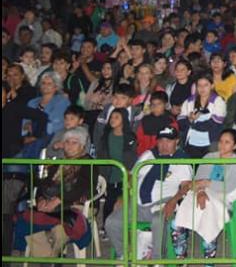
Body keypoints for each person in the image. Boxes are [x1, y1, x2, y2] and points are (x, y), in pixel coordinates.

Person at [105, 126, 192, 260]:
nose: (164, 145)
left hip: (163, 204)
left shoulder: (182, 160)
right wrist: (123, 196)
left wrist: (173, 201)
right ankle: (123, 256)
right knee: (111, 222)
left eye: (168, 141)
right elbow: (131, 176)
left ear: (177, 141)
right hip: (137, 204)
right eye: (161, 141)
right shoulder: (148, 155)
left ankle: (158, 260)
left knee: (159, 220)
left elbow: (186, 186)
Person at [11, 127, 95, 258]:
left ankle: (52, 254)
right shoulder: (59, 162)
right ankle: (48, 257)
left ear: (82, 146)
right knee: (25, 223)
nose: (70, 146)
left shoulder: (88, 163)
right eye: (67, 142)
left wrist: (58, 200)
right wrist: (40, 199)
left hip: (72, 205)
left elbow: (82, 188)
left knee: (60, 228)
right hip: (50, 205)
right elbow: (43, 184)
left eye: (74, 143)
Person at [172, 129, 236, 260]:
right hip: (201, 193)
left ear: (235, 145)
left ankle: (209, 260)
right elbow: (198, 179)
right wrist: (201, 191)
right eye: (221, 141)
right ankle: (180, 256)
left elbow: (228, 185)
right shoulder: (209, 157)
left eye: (227, 142)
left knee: (209, 215)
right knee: (178, 220)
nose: (222, 145)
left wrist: (206, 183)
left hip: (223, 196)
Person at [97, 108, 136, 219]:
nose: (112, 120)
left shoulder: (130, 138)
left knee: (123, 203)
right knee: (109, 202)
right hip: (109, 176)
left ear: (123, 120)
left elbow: (132, 157)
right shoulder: (105, 137)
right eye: (111, 117)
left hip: (125, 176)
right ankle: (105, 228)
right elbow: (101, 155)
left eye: (116, 117)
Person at [178, 73, 226, 157]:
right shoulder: (189, 102)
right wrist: (189, 120)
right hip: (191, 144)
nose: (202, 88)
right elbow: (181, 122)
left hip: (211, 145)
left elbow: (214, 124)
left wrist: (192, 123)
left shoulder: (218, 101)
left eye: (205, 85)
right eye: (199, 85)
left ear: (212, 86)